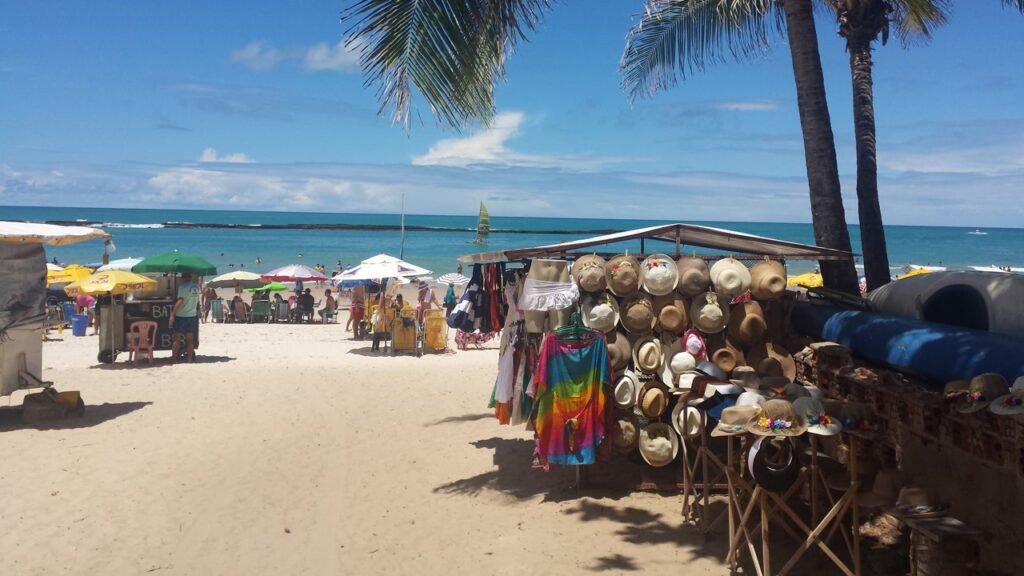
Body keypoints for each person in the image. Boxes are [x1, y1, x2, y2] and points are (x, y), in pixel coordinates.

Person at [169, 272, 201, 363]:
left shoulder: (182, 287)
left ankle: (174, 359)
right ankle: (190, 359)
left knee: (177, 339)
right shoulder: (196, 287)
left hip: (181, 316)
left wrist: (172, 314)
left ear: (183, 278)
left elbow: (180, 300)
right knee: (190, 340)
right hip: (192, 315)